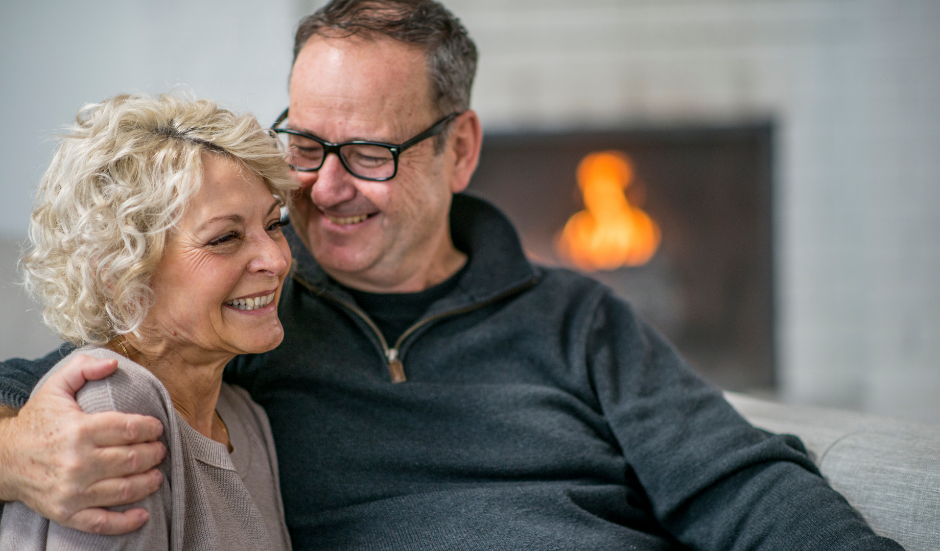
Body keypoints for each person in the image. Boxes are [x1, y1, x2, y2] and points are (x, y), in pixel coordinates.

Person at [0, 1, 903, 549]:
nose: (326, 186)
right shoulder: (244, 311)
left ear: (458, 149)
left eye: (369, 152)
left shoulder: (575, 316)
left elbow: (737, 481)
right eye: (307, 144)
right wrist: (17, 454)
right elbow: (57, 386)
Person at [0, 93, 295, 550]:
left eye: (274, 224)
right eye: (225, 238)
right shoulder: (113, 408)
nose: (276, 259)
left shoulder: (244, 416)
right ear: (122, 273)